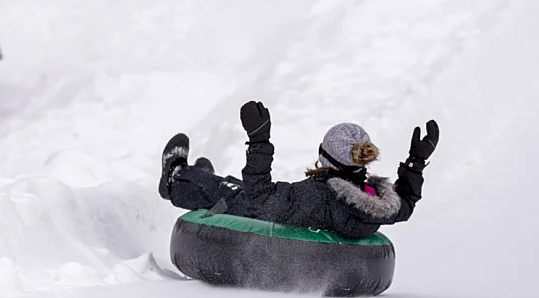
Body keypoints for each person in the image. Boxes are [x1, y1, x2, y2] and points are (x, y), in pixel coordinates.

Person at [158, 100, 439, 240]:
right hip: (288, 211)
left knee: (231, 192)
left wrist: (259, 142)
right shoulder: (373, 198)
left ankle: (176, 178)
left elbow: (260, 196)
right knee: (231, 184)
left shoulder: (319, 195)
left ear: (325, 157)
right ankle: (204, 176)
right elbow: (405, 205)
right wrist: (415, 163)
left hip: (259, 218)